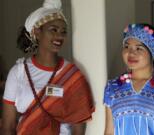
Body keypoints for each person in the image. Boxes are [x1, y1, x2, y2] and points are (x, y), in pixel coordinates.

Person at [2, 0, 94, 135]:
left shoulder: (73, 76)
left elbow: (78, 130)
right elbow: (7, 126)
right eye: (53, 30)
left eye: (63, 31)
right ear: (37, 32)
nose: (59, 36)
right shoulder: (18, 72)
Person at [104, 23, 154, 135]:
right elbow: (109, 132)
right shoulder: (113, 88)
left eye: (139, 48)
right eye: (126, 47)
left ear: (151, 52)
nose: (131, 53)